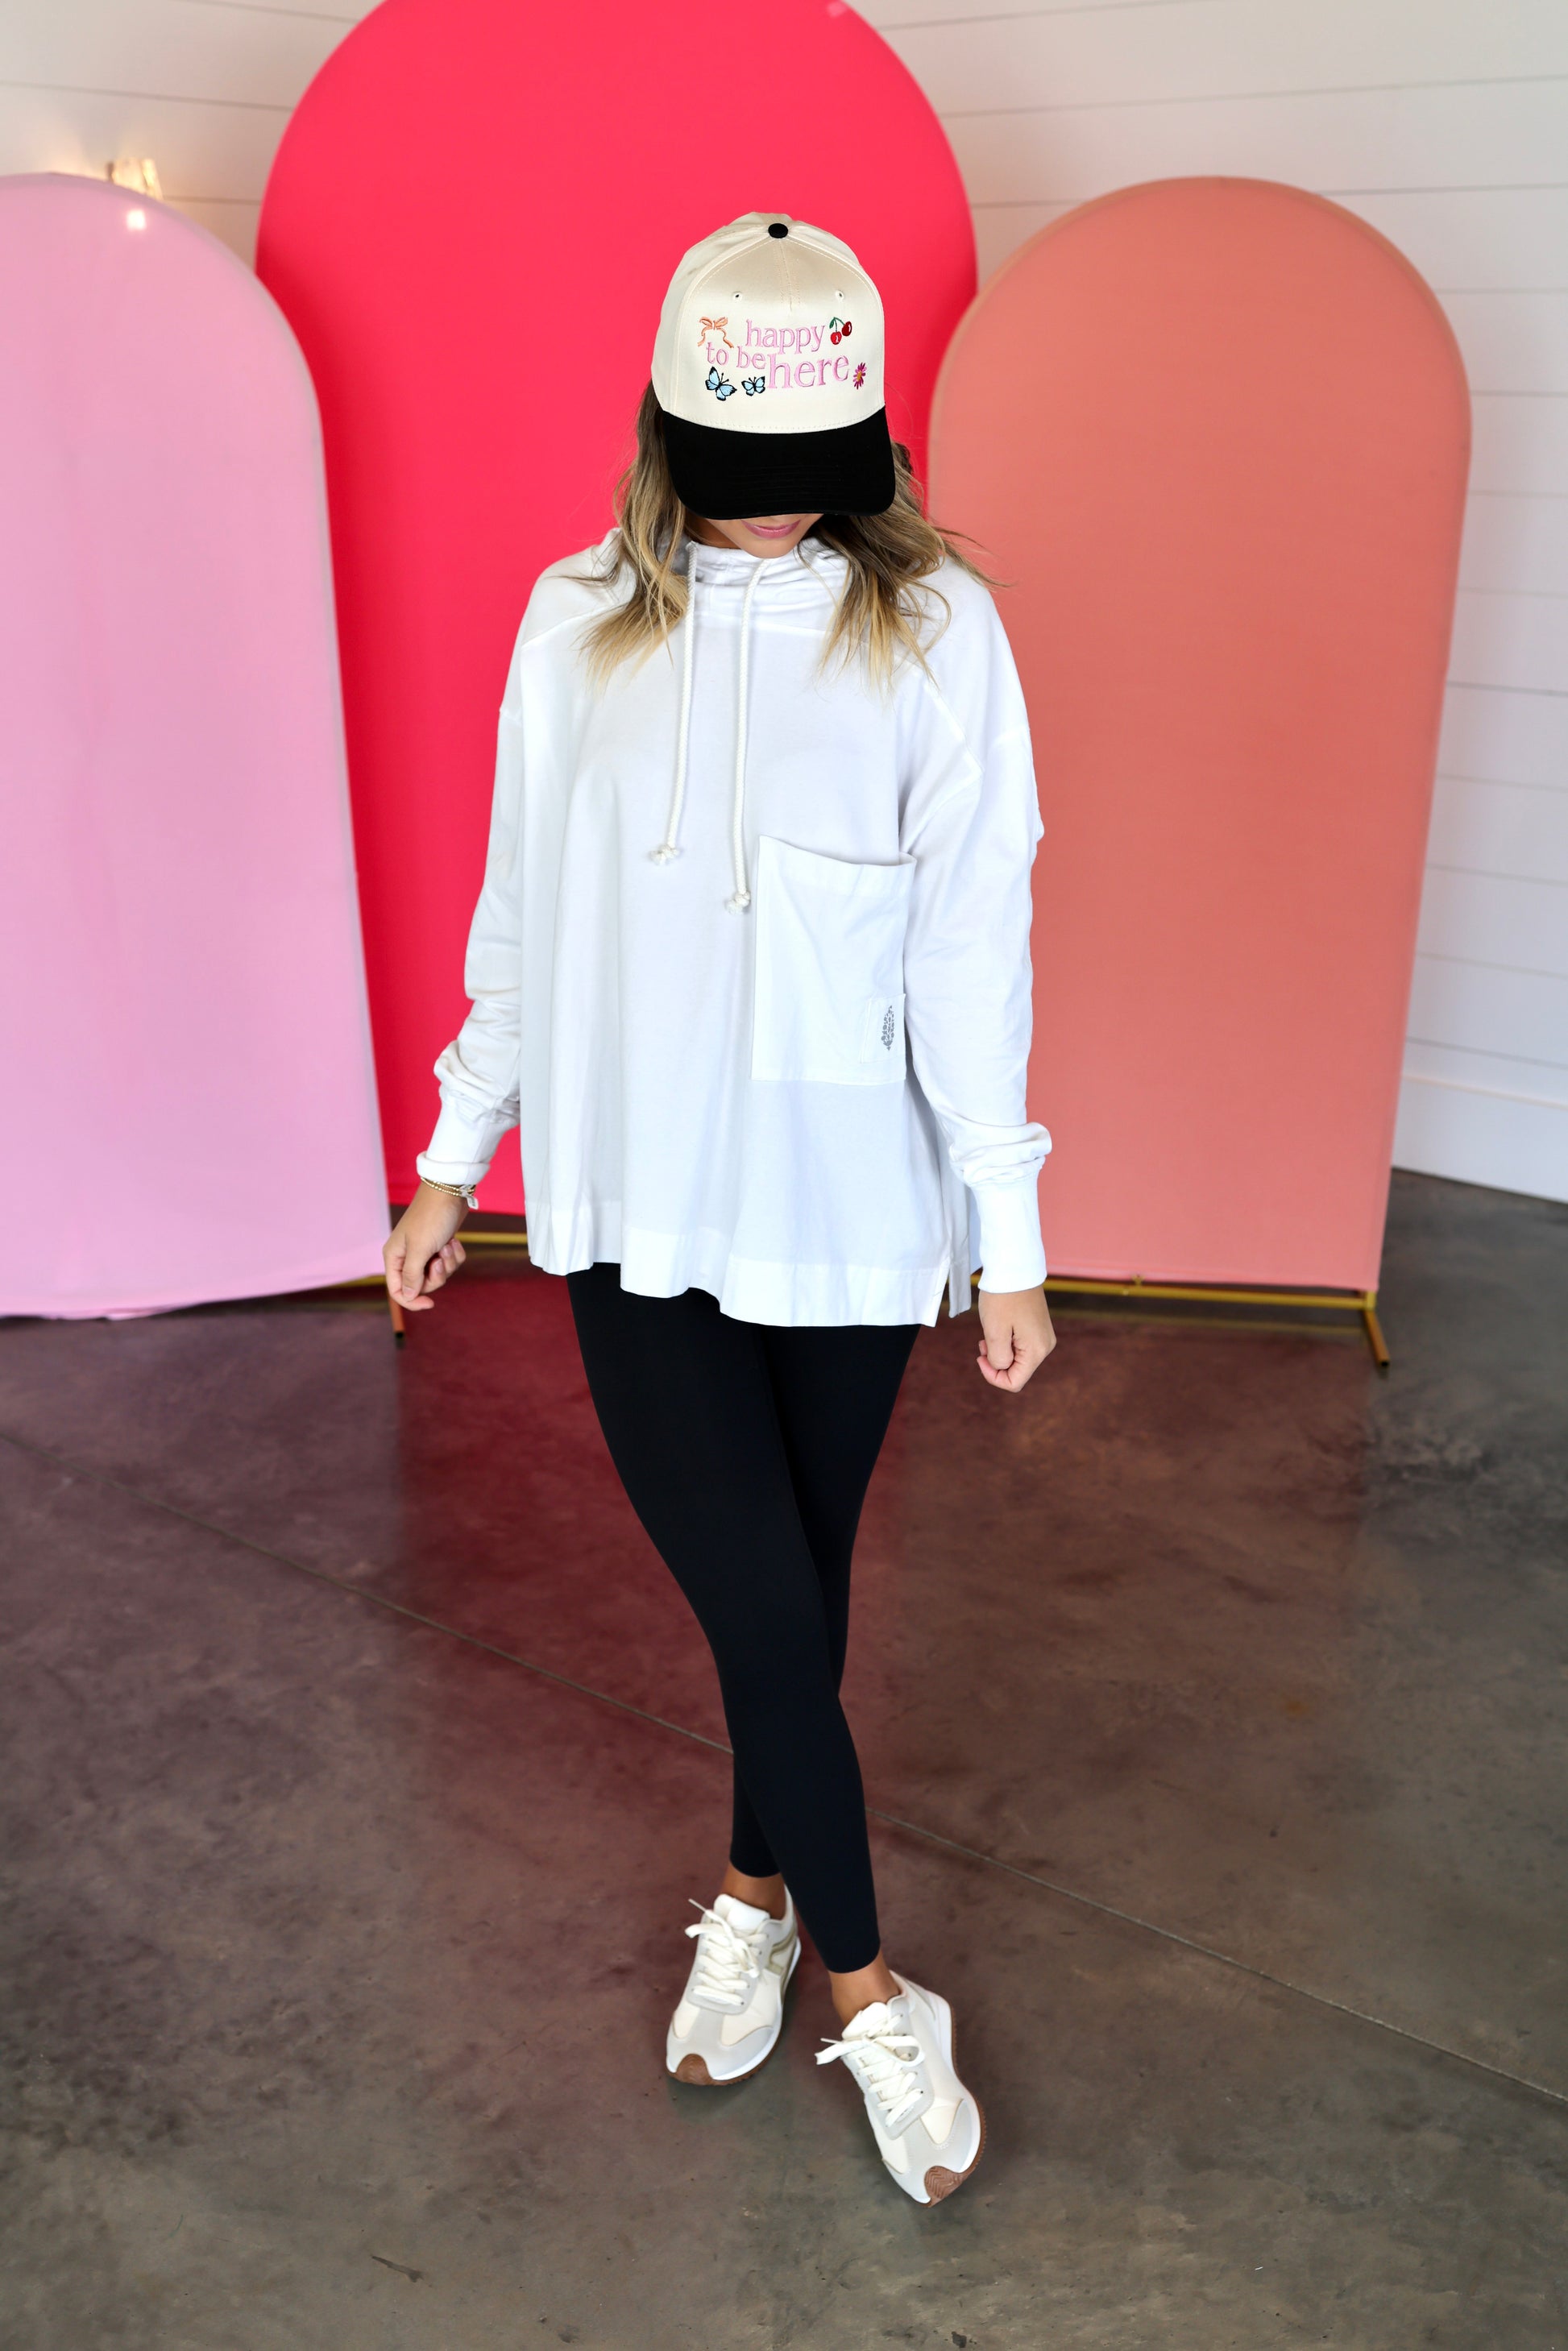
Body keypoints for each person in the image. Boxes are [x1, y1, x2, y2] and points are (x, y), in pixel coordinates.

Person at [384, 213, 1056, 2205]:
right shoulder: (575, 619)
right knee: (765, 1610)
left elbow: (971, 945)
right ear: (666, 432)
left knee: (797, 1608)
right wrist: (456, 1152)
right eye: (742, 473)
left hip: (851, 1203)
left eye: (813, 477)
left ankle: (755, 1897)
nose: (776, 513)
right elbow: (521, 905)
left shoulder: (941, 632)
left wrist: (1005, 1232)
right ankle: (872, 1992)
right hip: (638, 1198)